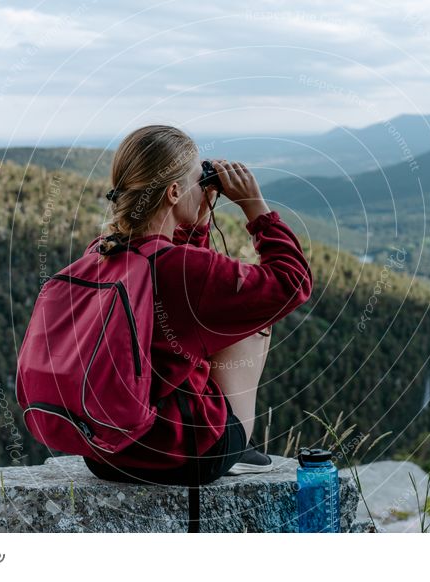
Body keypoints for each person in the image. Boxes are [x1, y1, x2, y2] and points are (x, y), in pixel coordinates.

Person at [82, 125, 313, 486]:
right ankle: (239, 446)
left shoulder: (100, 252)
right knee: (255, 321)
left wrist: (198, 219)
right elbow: (292, 282)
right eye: (195, 178)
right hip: (182, 454)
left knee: (211, 317)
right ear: (174, 191)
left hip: (104, 452)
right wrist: (255, 208)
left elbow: (190, 298)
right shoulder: (180, 268)